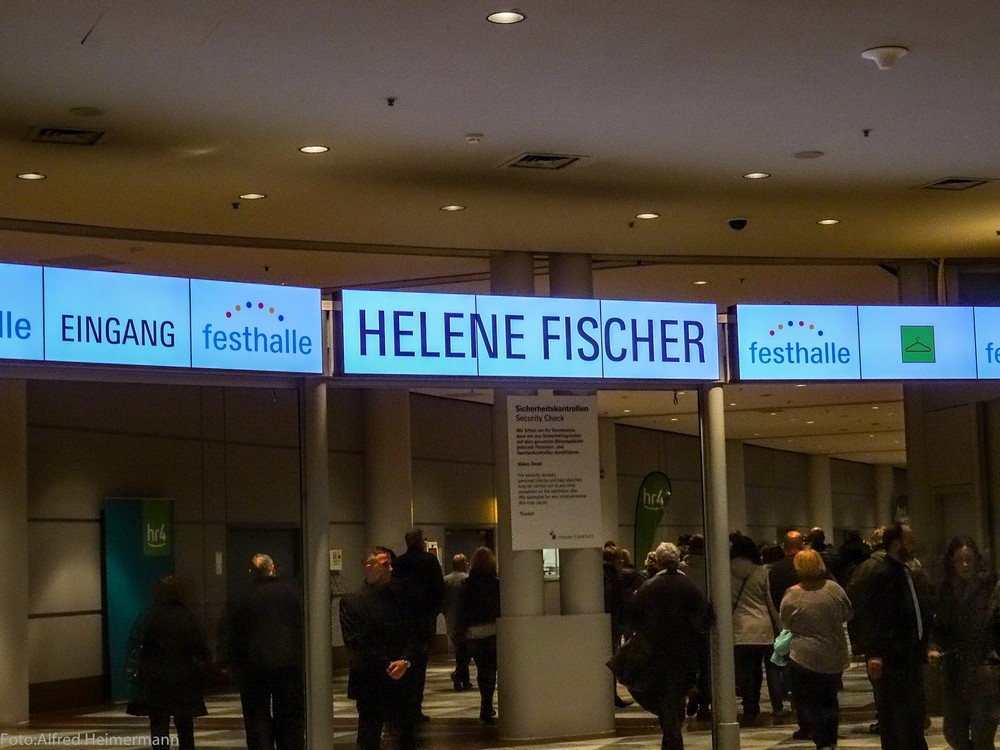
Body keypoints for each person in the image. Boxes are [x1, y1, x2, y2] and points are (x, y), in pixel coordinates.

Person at [630, 542, 712, 750]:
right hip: (685, 651)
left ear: (658, 562)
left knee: (664, 696)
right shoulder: (690, 587)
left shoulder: (648, 587)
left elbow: (634, 618)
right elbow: (704, 617)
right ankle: (673, 737)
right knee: (674, 696)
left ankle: (672, 739)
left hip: (656, 651)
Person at [340, 548, 421, 750]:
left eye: (391, 564)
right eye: (385, 564)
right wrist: (389, 664)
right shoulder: (352, 601)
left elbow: (415, 633)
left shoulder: (402, 596)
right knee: (369, 735)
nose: (391, 569)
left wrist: (405, 661)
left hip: (402, 677)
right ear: (369, 567)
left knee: (405, 737)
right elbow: (356, 641)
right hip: (370, 678)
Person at [864, 522, 935, 750]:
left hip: (909, 656)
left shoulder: (904, 571)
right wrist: (875, 653)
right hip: (895, 658)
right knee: (900, 719)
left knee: (912, 717)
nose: (914, 546)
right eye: (909, 541)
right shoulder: (883, 574)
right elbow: (876, 616)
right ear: (896, 544)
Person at [927, 536, 1000, 750]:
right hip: (955, 672)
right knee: (954, 734)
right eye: (959, 560)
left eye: (968, 559)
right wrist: (934, 648)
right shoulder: (947, 590)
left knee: (982, 734)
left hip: (985, 670)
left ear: (977, 560)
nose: (964, 565)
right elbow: (939, 628)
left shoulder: (992, 589)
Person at [779, 548, 853, 750]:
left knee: (810, 701)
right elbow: (848, 613)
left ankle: (821, 741)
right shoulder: (834, 589)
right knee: (830, 698)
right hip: (833, 652)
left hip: (803, 656)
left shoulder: (791, 595)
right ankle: (831, 739)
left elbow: (785, 623)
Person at [229, 554, 304, 750]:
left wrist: (234, 665)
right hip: (288, 664)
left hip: (253, 667)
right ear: (273, 569)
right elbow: (301, 626)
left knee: (256, 717)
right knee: (289, 716)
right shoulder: (290, 592)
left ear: (251, 572)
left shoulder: (242, 597)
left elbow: (233, 633)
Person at [126, 576, 209, 750]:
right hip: (183, 678)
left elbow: (137, 646)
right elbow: (200, 649)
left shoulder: (149, 616)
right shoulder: (187, 617)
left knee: (158, 725)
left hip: (155, 679)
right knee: (185, 725)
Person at [392, 528, 445, 722]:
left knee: (403, 663)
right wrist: (434, 611)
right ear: (421, 541)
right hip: (424, 622)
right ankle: (415, 707)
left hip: (403, 622)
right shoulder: (430, 561)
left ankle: (401, 706)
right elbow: (439, 589)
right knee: (420, 665)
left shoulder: (399, 562)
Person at [729, 534, 778, 725]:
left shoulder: (726, 570)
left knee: (743, 669)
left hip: (739, 627)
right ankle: (754, 703)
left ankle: (748, 704)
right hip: (761, 627)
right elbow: (769, 601)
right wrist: (779, 624)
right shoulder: (761, 571)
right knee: (756, 669)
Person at [456, 546, 501, 724]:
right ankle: (487, 705)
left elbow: (462, 610)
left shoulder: (467, 584)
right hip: (492, 630)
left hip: (473, 633)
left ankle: (485, 704)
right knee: (491, 670)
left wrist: (461, 632)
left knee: (482, 669)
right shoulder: (496, 584)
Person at [767, 530, 806, 722]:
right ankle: (799, 701)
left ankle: (779, 702)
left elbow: (772, 596)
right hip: (807, 622)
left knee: (778, 661)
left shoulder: (776, 569)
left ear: (784, 547)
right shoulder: (808, 566)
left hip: (783, 621)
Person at [442, 553, 471, 692]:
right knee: (465, 651)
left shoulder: (445, 580)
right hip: (466, 620)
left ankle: (464, 679)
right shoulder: (467, 579)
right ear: (464, 564)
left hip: (451, 619)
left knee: (460, 651)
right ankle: (459, 675)